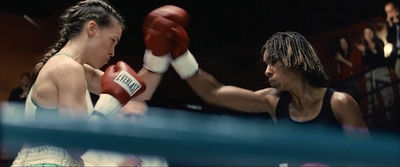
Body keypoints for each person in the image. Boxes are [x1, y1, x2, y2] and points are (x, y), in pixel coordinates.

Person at [11, 0, 176, 166]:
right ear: (92, 29)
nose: (112, 52)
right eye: (112, 40)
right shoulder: (67, 68)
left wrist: (159, 52)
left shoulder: (77, 70)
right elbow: (77, 144)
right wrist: (108, 104)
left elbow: (139, 92)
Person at [162, 25, 369, 138]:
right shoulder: (273, 101)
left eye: (274, 62)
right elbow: (214, 93)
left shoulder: (339, 103)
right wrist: (180, 56)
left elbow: (366, 159)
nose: (267, 71)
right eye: (266, 65)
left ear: (295, 60)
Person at [355, 26, 395, 123]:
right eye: (366, 33)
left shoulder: (379, 42)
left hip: (382, 71)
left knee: (388, 96)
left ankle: (392, 120)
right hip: (371, 73)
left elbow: (381, 58)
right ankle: (373, 123)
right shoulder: (364, 47)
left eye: (370, 32)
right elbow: (364, 63)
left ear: (373, 33)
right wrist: (364, 52)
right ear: (364, 36)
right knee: (372, 100)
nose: (368, 35)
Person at [334, 36, 361, 100]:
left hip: (352, 81)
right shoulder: (342, 55)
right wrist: (338, 61)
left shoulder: (354, 53)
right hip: (344, 82)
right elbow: (339, 72)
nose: (343, 44)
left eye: (344, 42)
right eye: (341, 43)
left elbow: (354, 65)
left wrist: (342, 59)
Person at [384, 1, 400, 77]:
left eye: (391, 11)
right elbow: (390, 39)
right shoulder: (391, 25)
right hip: (397, 52)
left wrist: (397, 19)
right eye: (387, 12)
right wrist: (390, 24)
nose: (390, 14)